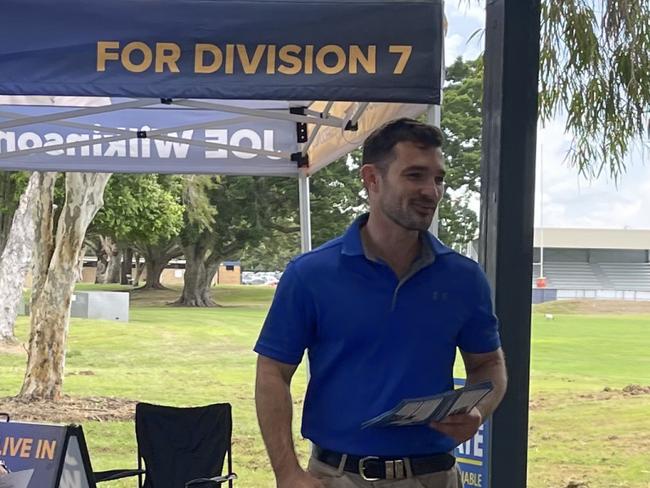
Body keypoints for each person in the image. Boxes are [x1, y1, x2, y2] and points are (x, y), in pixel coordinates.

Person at [254, 118, 507, 488]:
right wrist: (287, 473)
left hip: (434, 477)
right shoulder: (310, 274)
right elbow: (272, 373)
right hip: (338, 477)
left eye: (438, 178)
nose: (431, 191)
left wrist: (477, 412)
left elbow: (490, 365)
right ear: (372, 179)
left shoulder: (464, 278)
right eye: (415, 175)